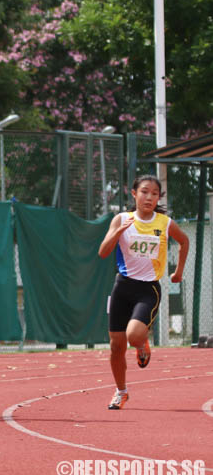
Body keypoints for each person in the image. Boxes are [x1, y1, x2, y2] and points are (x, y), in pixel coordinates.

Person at [98, 174, 189, 410]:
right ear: (134, 193)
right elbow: (103, 252)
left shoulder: (165, 223)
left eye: (154, 193)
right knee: (116, 346)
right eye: (144, 192)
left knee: (134, 335)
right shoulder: (121, 219)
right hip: (122, 286)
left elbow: (184, 241)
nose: (149, 197)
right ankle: (121, 392)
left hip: (148, 289)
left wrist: (178, 272)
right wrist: (118, 232)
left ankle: (142, 345)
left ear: (159, 197)